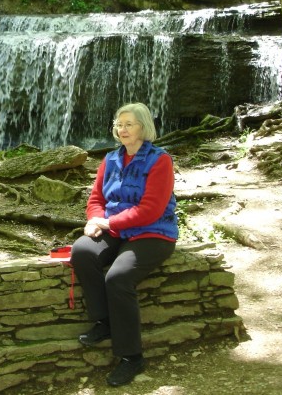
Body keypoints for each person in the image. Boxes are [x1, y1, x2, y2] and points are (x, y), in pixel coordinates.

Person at [70, 102, 178, 387]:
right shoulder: (110, 160)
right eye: (119, 124)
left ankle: (131, 357)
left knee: (118, 278)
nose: (122, 129)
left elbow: (151, 210)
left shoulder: (160, 160)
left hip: (153, 233)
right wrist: (94, 220)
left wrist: (108, 224)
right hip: (115, 229)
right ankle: (104, 322)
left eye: (129, 123)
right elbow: (96, 200)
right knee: (81, 251)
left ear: (144, 127)